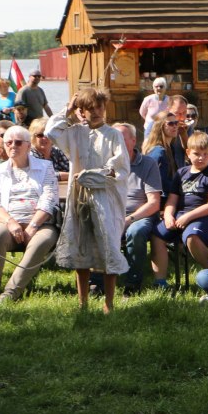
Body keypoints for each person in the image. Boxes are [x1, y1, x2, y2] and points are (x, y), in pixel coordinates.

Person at [48, 88, 130, 314]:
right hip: (80, 198)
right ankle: (82, 302)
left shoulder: (113, 134)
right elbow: (51, 131)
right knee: (81, 246)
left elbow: (120, 166)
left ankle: (109, 303)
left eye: (99, 107)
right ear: (82, 111)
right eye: (89, 108)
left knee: (109, 246)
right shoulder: (74, 133)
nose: (95, 112)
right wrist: (69, 107)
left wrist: (92, 176)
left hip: (106, 198)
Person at [0, 125, 60, 303]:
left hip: (41, 223)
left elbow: (49, 199)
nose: (13, 146)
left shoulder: (45, 167)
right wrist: (10, 222)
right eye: (9, 143)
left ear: (28, 146)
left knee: (43, 241)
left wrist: (33, 225)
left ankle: (10, 293)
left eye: (18, 142)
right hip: (9, 222)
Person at [157, 130, 208, 271]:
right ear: (188, 153)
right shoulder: (181, 173)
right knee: (156, 234)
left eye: (205, 154)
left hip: (207, 217)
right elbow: (172, 200)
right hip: (180, 215)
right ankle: (160, 280)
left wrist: (188, 217)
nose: (201, 158)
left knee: (192, 236)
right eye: (197, 154)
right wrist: (168, 215)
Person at [114, 122, 165, 293]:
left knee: (135, 231)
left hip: (141, 215)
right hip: (113, 213)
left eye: (121, 137)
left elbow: (153, 203)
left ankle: (133, 282)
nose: (117, 142)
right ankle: (97, 283)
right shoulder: (107, 164)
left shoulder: (147, 164)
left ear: (133, 141)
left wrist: (129, 219)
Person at [29, 117, 70, 182]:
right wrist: (67, 175)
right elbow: (41, 175)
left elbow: (70, 169)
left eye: (47, 134)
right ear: (33, 137)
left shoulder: (57, 151)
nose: (44, 138)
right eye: (40, 135)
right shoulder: (30, 154)